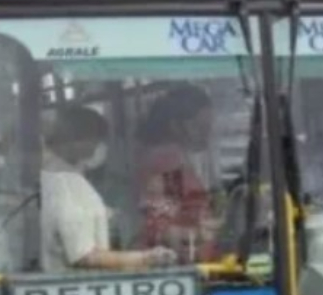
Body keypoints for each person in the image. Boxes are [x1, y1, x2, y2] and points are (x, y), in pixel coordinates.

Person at [43, 105, 176, 271]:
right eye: (97, 141)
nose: (98, 148)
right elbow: (86, 256)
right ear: (79, 140)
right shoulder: (67, 182)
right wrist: (147, 258)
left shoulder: (48, 176)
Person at [136, 87, 219, 263]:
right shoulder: (166, 159)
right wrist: (206, 232)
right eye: (200, 126)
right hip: (176, 259)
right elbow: (159, 225)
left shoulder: (179, 157)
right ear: (176, 125)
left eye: (209, 126)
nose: (207, 134)